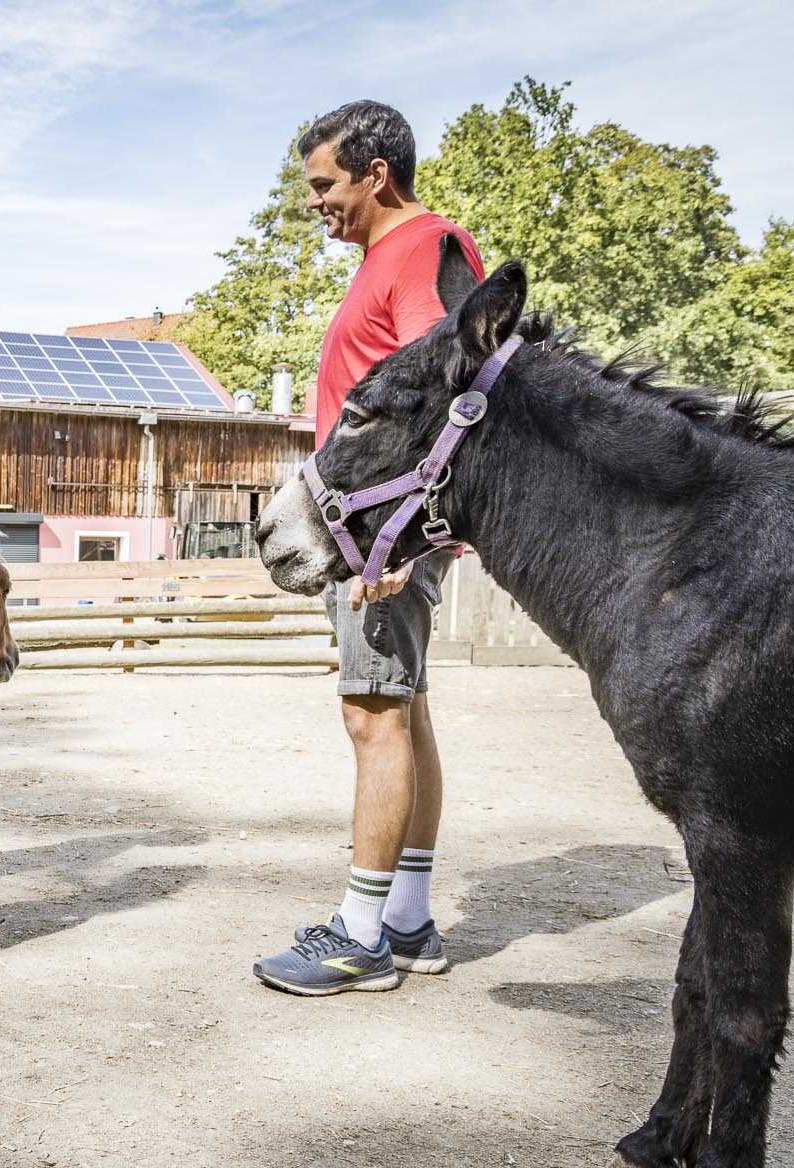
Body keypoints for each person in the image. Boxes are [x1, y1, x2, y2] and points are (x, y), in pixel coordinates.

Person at [252, 100, 485, 996]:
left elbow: (446, 390)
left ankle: (359, 936)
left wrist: (397, 537)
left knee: (373, 713)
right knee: (404, 708)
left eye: (323, 184)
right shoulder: (385, 259)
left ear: (374, 173)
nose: (315, 202)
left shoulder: (426, 250)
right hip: (372, 524)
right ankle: (409, 918)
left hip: (376, 531)